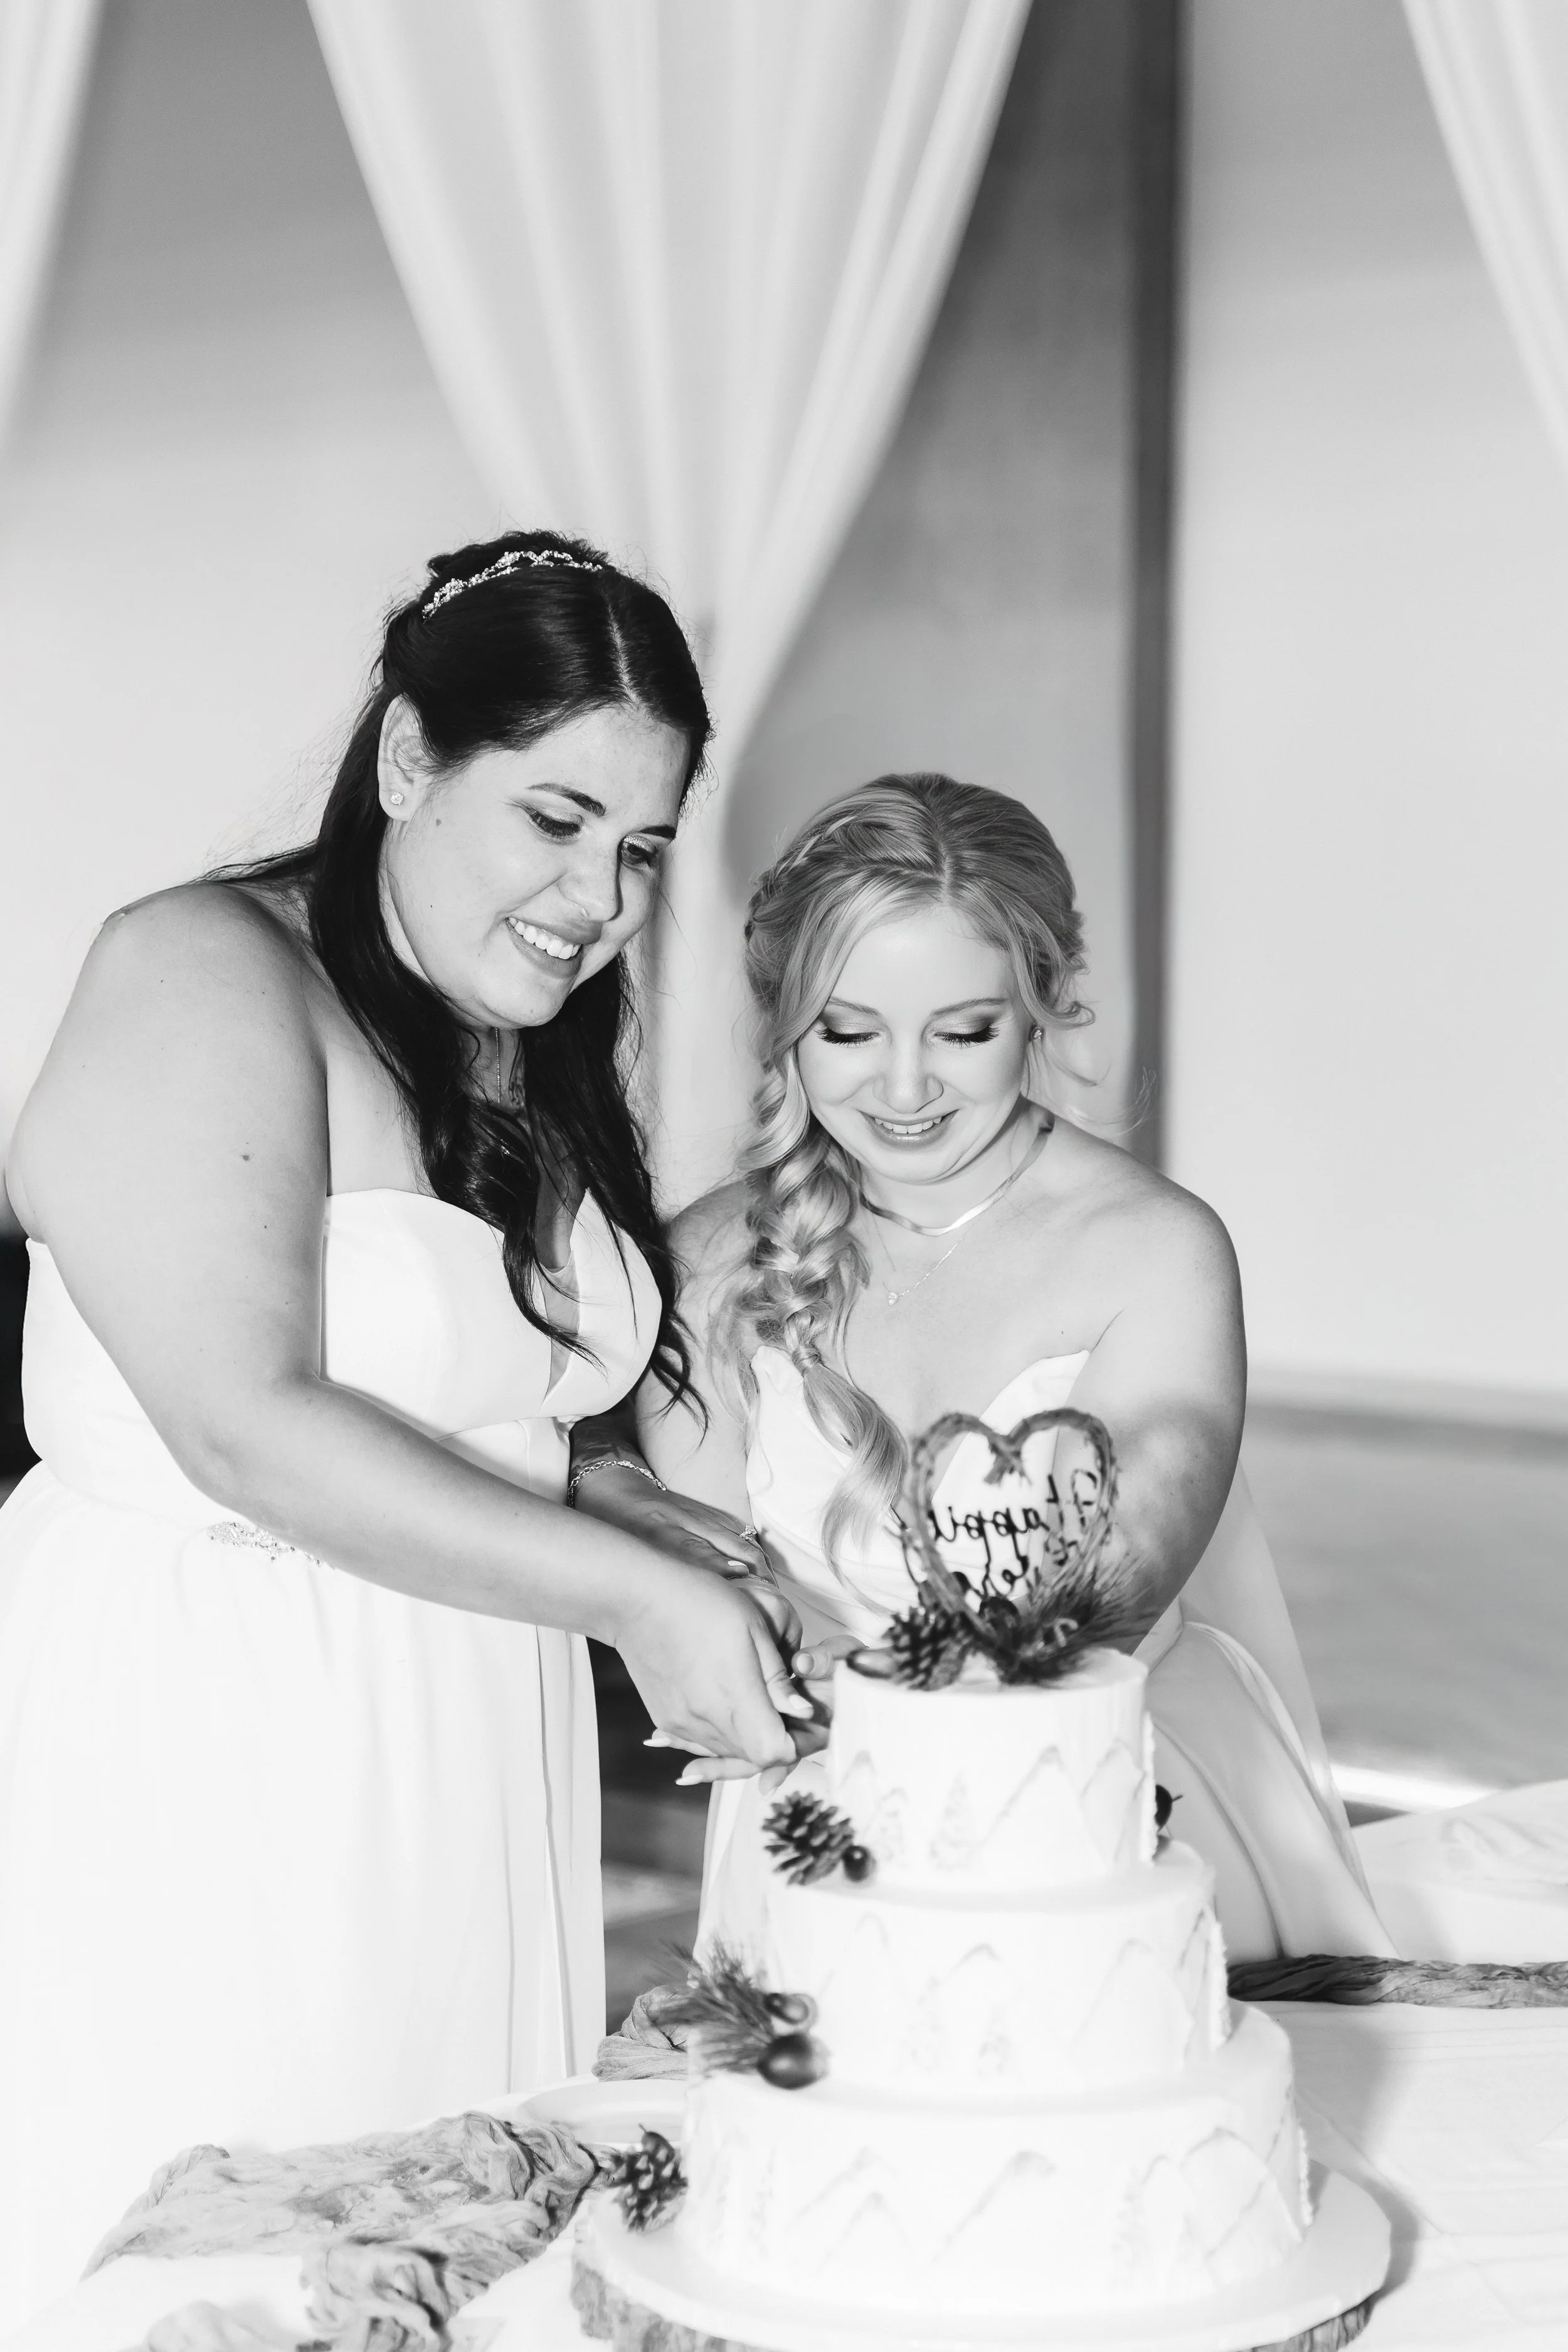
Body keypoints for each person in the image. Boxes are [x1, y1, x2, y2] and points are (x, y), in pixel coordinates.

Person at [0, 529, 807, 2311]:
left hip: (467, 1735)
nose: (600, 895)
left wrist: (644, 1512)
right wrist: (634, 1598)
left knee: (443, 2244)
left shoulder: (526, 1038)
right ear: (407, 763)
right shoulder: (200, 970)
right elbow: (247, 1421)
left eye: (642, 846)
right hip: (214, 1728)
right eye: (557, 817)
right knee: (230, 2253)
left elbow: (505, 1397)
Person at [616, 773, 1395, 1964]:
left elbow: (1104, 1599)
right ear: (783, 1021)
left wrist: (838, 1689)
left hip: (1097, 1807)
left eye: (964, 1030)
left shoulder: (1156, 1251)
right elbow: (709, 1589)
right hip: (820, 1829)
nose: (908, 1087)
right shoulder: (712, 1260)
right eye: (848, 1029)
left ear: (1043, 1007)